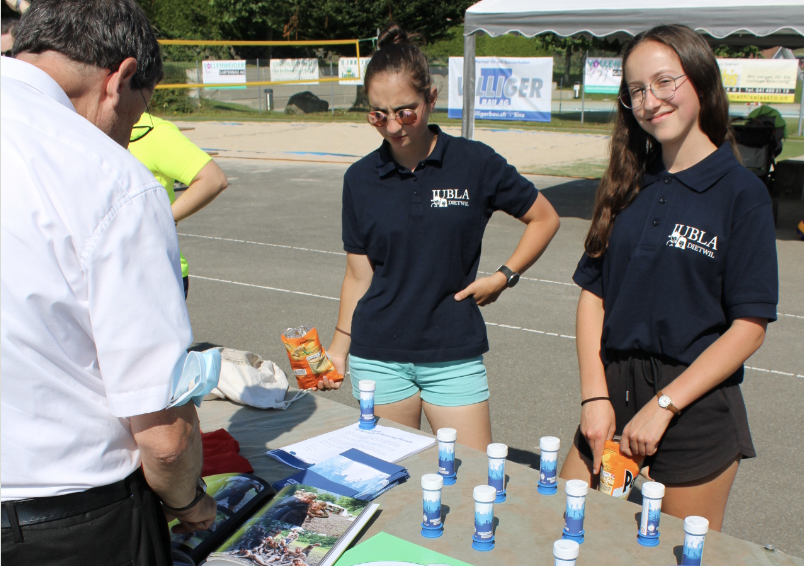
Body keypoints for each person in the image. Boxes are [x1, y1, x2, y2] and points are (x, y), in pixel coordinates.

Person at [0, 1, 217, 564]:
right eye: (134, 118)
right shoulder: (106, 174)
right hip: (70, 523)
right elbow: (163, 436)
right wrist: (188, 500)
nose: (124, 137)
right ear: (119, 79)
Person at [558, 24, 778, 531]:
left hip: (693, 405)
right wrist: (594, 397)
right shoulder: (627, 180)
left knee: (672, 552)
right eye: (636, 90)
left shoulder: (742, 194)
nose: (650, 100)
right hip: (613, 394)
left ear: (700, 81)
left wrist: (664, 407)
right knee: (567, 530)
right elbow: (594, 294)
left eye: (663, 82)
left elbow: (750, 326)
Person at [319, 24, 560, 451]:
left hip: (453, 352)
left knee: (470, 477)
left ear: (431, 98)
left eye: (405, 111)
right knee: (393, 476)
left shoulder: (474, 163)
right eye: (378, 114)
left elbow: (544, 218)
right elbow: (358, 275)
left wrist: (504, 276)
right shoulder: (359, 179)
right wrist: (339, 350)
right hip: (378, 355)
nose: (393, 126)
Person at [129, 112, 229, 299]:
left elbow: (213, 179)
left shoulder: (152, 132)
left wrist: (164, 218)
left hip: (156, 273)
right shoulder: (80, 129)